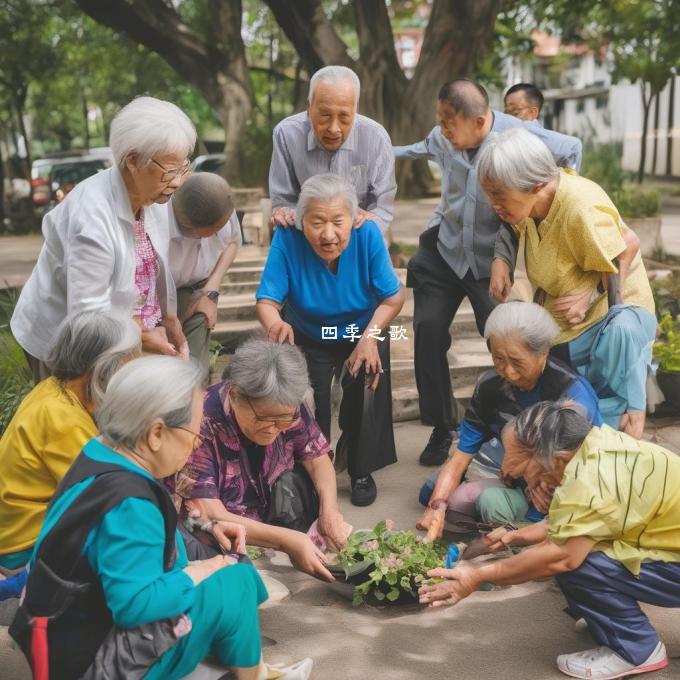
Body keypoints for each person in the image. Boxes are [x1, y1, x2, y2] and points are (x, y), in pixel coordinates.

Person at [10, 355, 312, 680]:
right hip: (93, 665)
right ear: (156, 432)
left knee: (214, 553)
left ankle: (230, 658)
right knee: (232, 580)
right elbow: (136, 606)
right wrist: (207, 569)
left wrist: (206, 532)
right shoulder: (130, 503)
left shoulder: (100, 452)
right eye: (193, 433)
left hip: (59, 631)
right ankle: (252, 675)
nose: (196, 443)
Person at [394, 79, 583, 467]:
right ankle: (442, 426)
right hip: (443, 253)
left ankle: (518, 421)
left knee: (505, 338)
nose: (442, 131)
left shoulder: (519, 135)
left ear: (479, 121)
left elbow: (572, 149)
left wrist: (553, 212)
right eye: (440, 122)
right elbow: (409, 150)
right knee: (427, 331)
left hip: (487, 263)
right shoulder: (441, 137)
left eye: (450, 123)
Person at [419, 400, 680, 680]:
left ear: (554, 456)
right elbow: (572, 524)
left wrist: (478, 575)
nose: (508, 468)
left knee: (577, 564)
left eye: (516, 457)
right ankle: (607, 619)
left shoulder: (592, 477)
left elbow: (562, 555)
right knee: (567, 551)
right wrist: (515, 536)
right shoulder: (596, 444)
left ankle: (637, 650)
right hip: (664, 545)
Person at [478, 127, 656, 438]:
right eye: (489, 193)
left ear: (535, 186)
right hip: (565, 321)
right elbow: (510, 229)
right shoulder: (528, 207)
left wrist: (591, 294)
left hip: (609, 318)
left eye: (498, 194)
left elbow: (625, 247)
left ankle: (627, 422)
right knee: (565, 402)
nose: (493, 204)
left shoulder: (578, 207)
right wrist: (501, 261)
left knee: (608, 388)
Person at [11, 96, 196, 381]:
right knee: (76, 418)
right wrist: (144, 337)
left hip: (124, 329)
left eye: (183, 168)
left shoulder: (153, 196)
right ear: (132, 160)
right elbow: (89, 318)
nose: (178, 181)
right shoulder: (92, 218)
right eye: (170, 171)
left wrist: (169, 318)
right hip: (66, 335)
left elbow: (151, 270)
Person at [256, 174, 404, 506]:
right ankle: (315, 467)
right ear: (300, 220)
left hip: (362, 330)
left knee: (367, 388)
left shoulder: (367, 235)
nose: (328, 234)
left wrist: (370, 339)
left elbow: (393, 298)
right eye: (317, 222)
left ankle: (360, 468)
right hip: (310, 333)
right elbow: (267, 300)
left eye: (338, 222)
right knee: (311, 402)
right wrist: (275, 324)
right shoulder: (287, 239)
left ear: (353, 219)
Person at [416, 302, 602, 539]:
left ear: (543, 352)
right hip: (507, 466)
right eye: (499, 359)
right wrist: (437, 506)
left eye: (517, 361)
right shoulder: (488, 387)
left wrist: (534, 480)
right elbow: (460, 458)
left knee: (528, 503)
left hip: (557, 477)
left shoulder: (573, 396)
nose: (508, 372)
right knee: (431, 492)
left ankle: (528, 527)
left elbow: (569, 467)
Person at [172, 337, 349, 583]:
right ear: (234, 395)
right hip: (215, 529)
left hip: (265, 508)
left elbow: (317, 458)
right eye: (263, 417)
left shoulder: (289, 404)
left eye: (283, 419)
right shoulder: (201, 419)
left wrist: (330, 511)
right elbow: (206, 513)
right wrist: (287, 541)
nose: (273, 428)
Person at [0, 311, 141, 573]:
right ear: (103, 366)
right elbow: (106, 494)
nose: (132, 368)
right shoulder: (62, 419)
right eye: (127, 360)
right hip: (23, 547)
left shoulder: (53, 388)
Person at [269, 65, 396, 236]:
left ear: (355, 109)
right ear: (308, 108)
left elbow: (382, 208)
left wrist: (362, 225)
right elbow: (283, 201)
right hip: (305, 237)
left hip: (359, 237)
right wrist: (286, 214)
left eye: (344, 116)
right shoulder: (286, 134)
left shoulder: (376, 138)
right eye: (325, 115)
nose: (333, 128)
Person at [168, 173, 242, 379]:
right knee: (168, 358)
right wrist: (173, 318)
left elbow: (233, 242)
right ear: (191, 228)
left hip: (202, 284)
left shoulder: (220, 207)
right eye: (214, 231)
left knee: (194, 367)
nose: (221, 233)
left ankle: (196, 402)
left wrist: (210, 290)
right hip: (162, 291)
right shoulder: (159, 227)